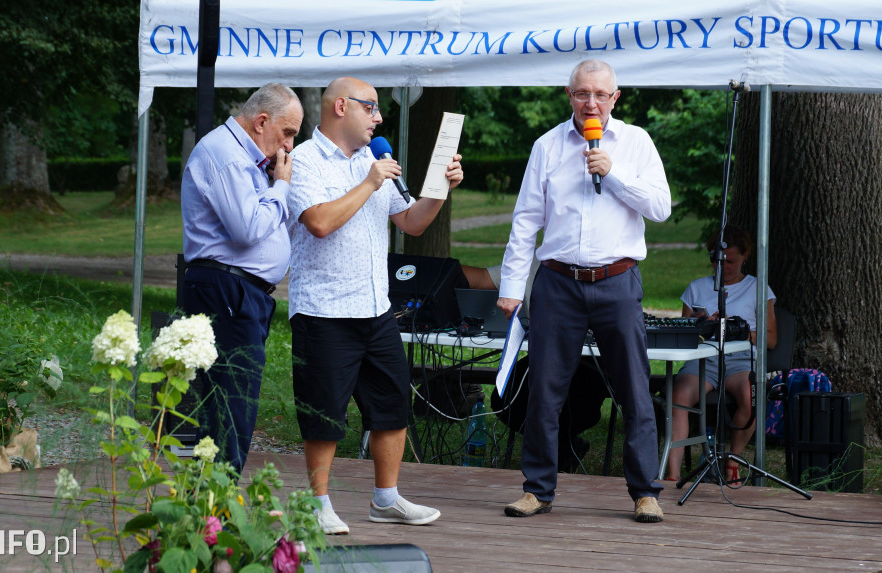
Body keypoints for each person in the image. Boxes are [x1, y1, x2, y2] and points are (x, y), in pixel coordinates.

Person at [287, 76, 464, 535]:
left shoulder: (373, 158)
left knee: (392, 406)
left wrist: (438, 191)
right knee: (324, 412)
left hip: (375, 307)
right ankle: (318, 503)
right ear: (341, 107)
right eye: (372, 108)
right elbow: (320, 223)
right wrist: (369, 181)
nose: (380, 118)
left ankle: (386, 499)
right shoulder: (304, 160)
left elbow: (412, 222)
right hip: (324, 309)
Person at [497, 59, 671, 523]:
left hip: (617, 280)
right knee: (545, 390)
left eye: (600, 94)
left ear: (616, 98)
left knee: (634, 390)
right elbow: (526, 220)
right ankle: (537, 489)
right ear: (568, 96)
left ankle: (644, 492)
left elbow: (660, 207)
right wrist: (512, 286)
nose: (590, 102)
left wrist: (612, 172)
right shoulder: (548, 145)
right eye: (581, 94)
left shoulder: (636, 142)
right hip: (558, 283)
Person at [180, 83, 303, 474]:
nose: (289, 145)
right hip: (227, 289)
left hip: (239, 292)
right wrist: (281, 186)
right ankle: (214, 508)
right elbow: (248, 229)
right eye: (288, 133)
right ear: (261, 121)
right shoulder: (228, 156)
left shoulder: (245, 159)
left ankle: (211, 503)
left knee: (234, 401)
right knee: (232, 403)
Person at [463, 260, 608, 473]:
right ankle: (560, 451)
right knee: (505, 398)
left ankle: (557, 455)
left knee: (563, 401)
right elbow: (484, 278)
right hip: (544, 358)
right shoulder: (534, 261)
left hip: (588, 364)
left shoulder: (602, 264)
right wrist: (442, 268)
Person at [665, 225, 777, 483]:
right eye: (716, 261)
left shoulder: (758, 288)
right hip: (703, 358)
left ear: (745, 256)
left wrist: (736, 330)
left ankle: (733, 460)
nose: (722, 267)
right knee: (678, 398)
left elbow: (771, 339)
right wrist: (700, 323)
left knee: (751, 399)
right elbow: (685, 335)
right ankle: (672, 475)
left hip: (740, 359)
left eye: (730, 262)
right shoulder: (696, 288)